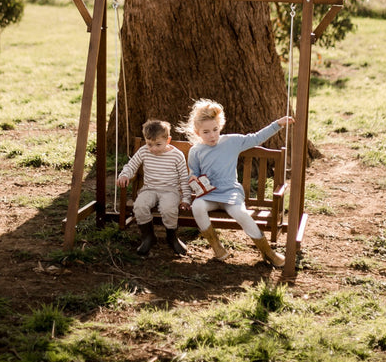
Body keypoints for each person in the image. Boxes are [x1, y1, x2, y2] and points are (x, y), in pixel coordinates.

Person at [184, 99, 293, 267]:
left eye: (215, 129)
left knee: (241, 213)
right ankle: (216, 246)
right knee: (197, 206)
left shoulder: (232, 141)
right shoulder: (196, 151)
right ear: (197, 132)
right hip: (209, 195)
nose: (212, 135)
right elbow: (193, 173)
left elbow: (256, 138)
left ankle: (267, 252)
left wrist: (277, 124)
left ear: (220, 126)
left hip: (230, 192)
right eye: (206, 132)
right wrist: (196, 181)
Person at [117, 119, 192, 256]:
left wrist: (186, 198)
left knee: (168, 209)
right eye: (149, 144)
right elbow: (131, 165)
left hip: (170, 190)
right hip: (149, 189)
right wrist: (124, 175)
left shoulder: (177, 155)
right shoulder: (144, 151)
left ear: (168, 140)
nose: (153, 149)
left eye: (158, 144)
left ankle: (172, 237)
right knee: (140, 206)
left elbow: (183, 178)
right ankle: (148, 236)